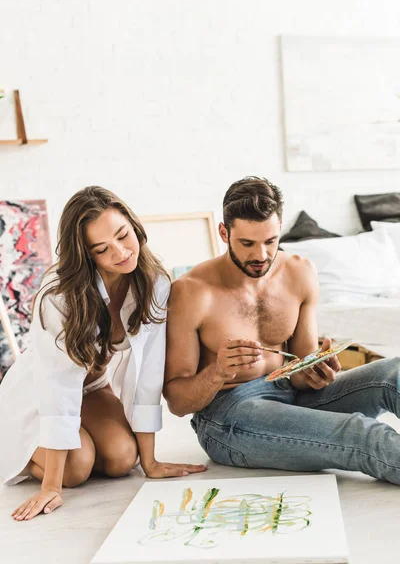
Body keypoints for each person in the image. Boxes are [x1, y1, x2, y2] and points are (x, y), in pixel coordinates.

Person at [164, 176, 400, 485]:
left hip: (291, 395)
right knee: (364, 435)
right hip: (229, 415)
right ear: (224, 233)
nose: (260, 255)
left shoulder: (300, 271)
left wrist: (317, 371)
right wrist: (218, 371)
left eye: (270, 241)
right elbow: (178, 402)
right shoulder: (191, 292)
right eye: (247, 243)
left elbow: (301, 373)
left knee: (394, 373)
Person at [0, 186, 206, 522]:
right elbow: (58, 388)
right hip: (38, 393)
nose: (121, 252)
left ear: (133, 225)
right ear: (86, 255)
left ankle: (85, 446)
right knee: (77, 467)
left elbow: (148, 371)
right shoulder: (59, 296)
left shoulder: (154, 283)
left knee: (124, 458)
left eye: (123, 235)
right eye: (102, 249)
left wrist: (150, 463)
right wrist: (52, 486)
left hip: (93, 389)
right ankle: (13, 446)